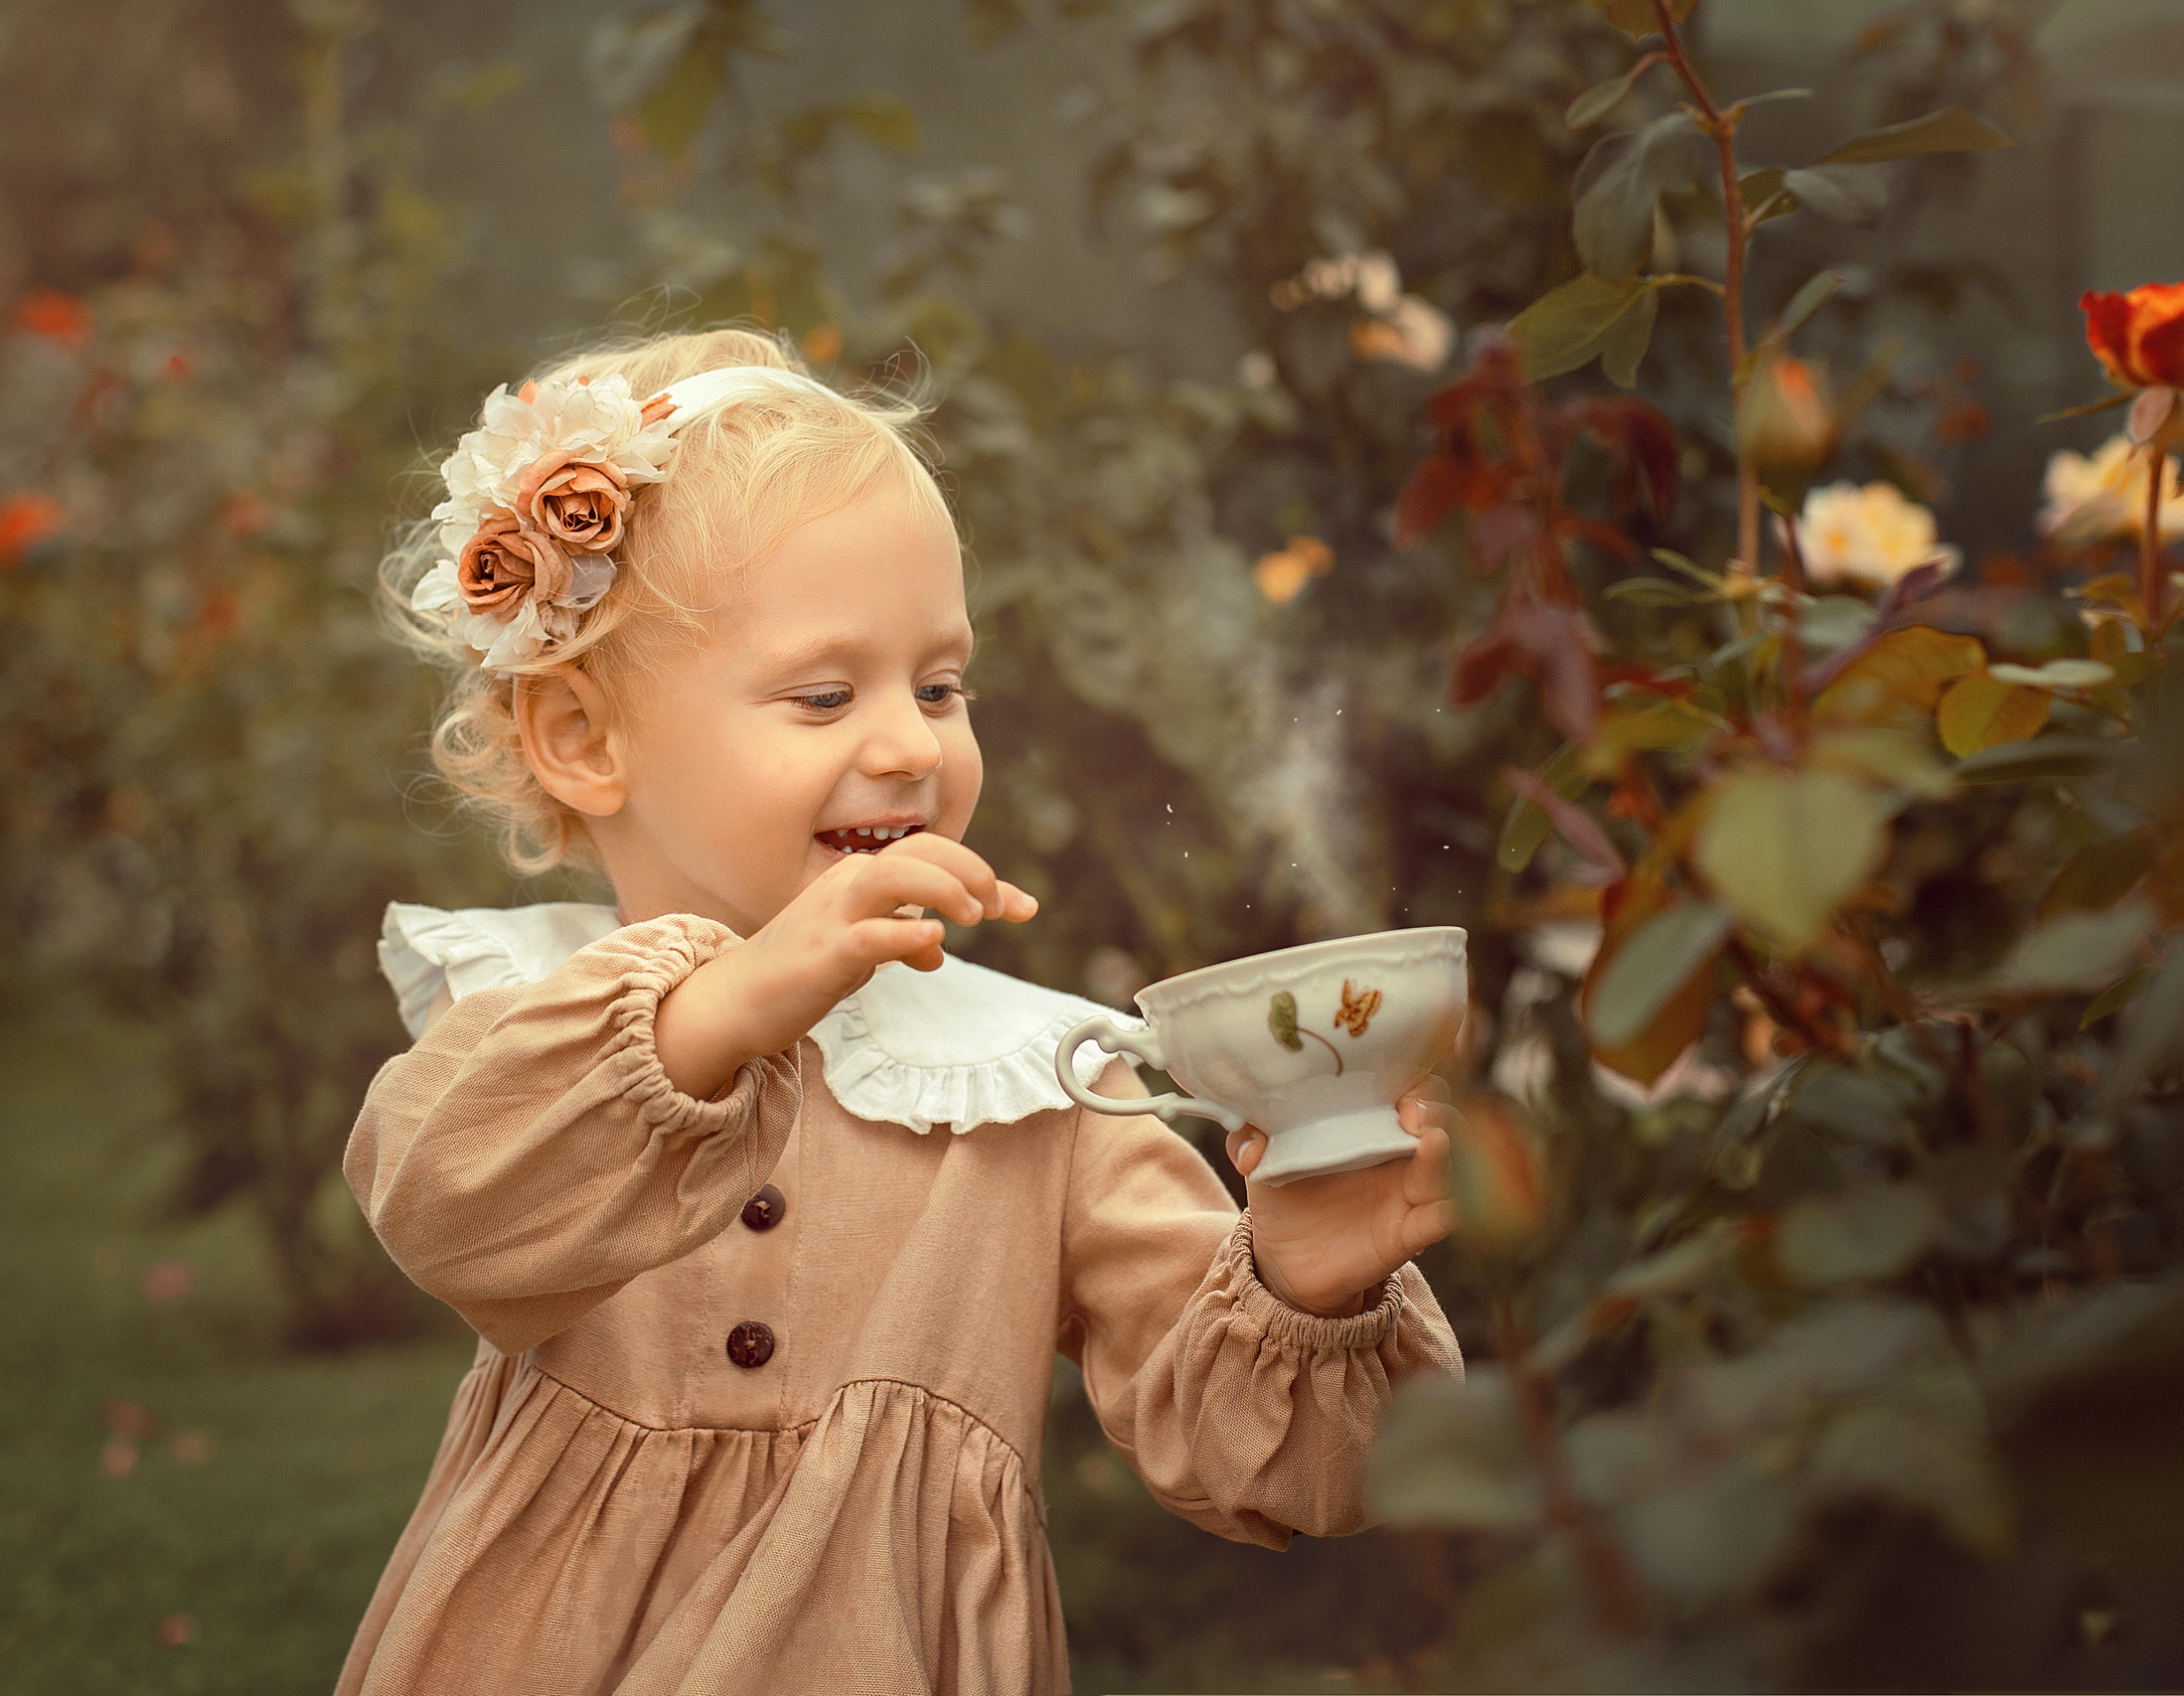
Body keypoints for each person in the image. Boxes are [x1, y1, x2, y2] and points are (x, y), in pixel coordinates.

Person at [336, 327, 1466, 1696]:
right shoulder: (533, 1019)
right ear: (584, 740)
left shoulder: (1032, 1080)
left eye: (940, 686)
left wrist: (1310, 1278)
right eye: (826, 695)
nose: (912, 744)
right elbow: (449, 1212)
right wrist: (723, 1006)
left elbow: (1273, 1469)